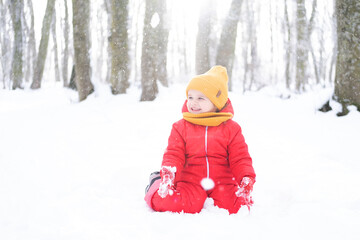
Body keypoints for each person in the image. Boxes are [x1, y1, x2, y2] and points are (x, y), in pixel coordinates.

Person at [144, 66, 256, 214]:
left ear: (216, 103)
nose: (193, 103)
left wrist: (245, 178)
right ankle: (156, 181)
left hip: (222, 182)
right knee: (172, 203)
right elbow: (173, 154)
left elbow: (240, 158)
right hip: (190, 181)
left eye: (200, 98)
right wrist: (169, 175)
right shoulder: (180, 127)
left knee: (238, 207)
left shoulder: (231, 129)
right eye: (190, 97)